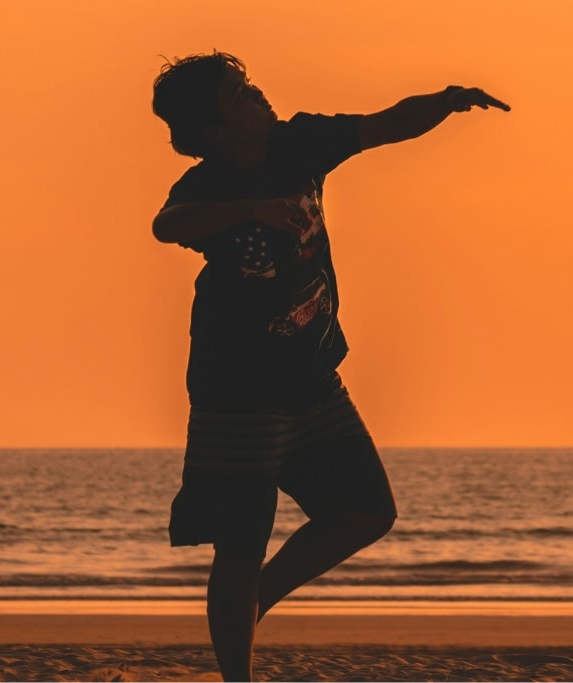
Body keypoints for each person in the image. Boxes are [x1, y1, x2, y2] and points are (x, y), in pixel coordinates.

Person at [150, 51, 510, 681]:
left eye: (248, 83)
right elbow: (167, 224)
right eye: (238, 94)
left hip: (312, 373)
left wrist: (445, 101)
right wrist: (251, 210)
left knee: (367, 511)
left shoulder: (300, 142)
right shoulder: (206, 186)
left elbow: (382, 124)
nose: (256, 94)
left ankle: (252, 600)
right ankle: (238, 664)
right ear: (212, 129)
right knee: (240, 543)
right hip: (236, 389)